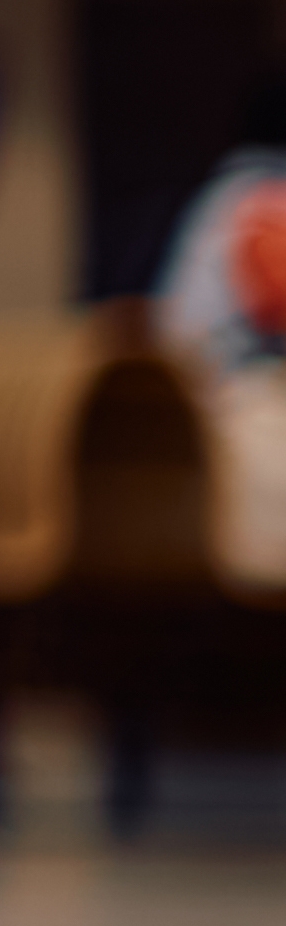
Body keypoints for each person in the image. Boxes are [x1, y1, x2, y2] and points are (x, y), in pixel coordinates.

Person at [158, 67, 286, 593]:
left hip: (192, 414)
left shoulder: (226, 193)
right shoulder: (262, 195)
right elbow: (278, 299)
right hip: (222, 414)